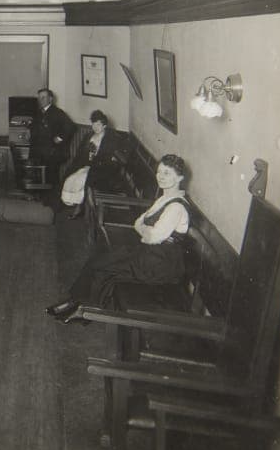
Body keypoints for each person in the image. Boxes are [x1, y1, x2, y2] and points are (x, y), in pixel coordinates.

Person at [46, 154, 191, 325]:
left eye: (167, 173)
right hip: (151, 252)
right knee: (100, 258)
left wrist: (145, 229)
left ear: (179, 178)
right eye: (159, 172)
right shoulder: (165, 198)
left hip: (161, 263)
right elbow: (138, 222)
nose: (160, 176)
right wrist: (145, 229)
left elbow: (152, 236)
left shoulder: (176, 206)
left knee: (107, 268)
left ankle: (87, 311)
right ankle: (74, 301)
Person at [59, 110, 124, 219]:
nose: (95, 127)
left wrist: (94, 161)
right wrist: (82, 163)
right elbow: (80, 154)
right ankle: (78, 205)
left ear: (104, 126)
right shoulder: (89, 136)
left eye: (98, 124)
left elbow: (110, 160)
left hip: (101, 170)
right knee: (71, 179)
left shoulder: (110, 139)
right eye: (93, 124)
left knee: (84, 180)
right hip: (87, 166)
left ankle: (81, 209)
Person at [29, 88, 75, 201]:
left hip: (54, 150)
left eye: (44, 97)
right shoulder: (38, 113)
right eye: (39, 98)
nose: (41, 100)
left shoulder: (58, 113)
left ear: (50, 99)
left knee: (51, 173)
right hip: (39, 149)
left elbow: (71, 127)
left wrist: (59, 138)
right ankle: (38, 195)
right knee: (35, 168)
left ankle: (51, 198)